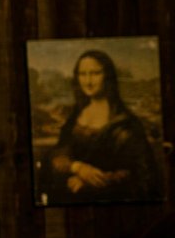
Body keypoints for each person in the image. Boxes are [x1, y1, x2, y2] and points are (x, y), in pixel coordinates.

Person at [39, 49, 164, 204]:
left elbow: (144, 177)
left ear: (108, 76)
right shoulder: (75, 115)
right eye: (82, 74)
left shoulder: (127, 123)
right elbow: (57, 153)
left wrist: (95, 183)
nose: (88, 81)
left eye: (95, 73)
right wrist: (77, 167)